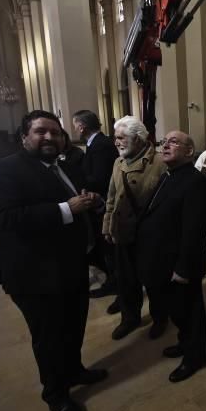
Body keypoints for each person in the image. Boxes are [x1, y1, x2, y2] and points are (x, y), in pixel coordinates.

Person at [0, 110, 108, 411]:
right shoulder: (3, 170)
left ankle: (75, 369)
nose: (50, 138)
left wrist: (91, 201)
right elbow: (7, 219)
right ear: (25, 136)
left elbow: (77, 203)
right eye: (41, 132)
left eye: (55, 132)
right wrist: (67, 208)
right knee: (50, 336)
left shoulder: (63, 167)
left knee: (74, 325)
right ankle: (56, 394)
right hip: (34, 273)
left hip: (72, 265)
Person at [136, 130, 206, 382]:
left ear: (189, 152)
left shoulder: (195, 182)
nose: (165, 145)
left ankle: (195, 357)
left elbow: (193, 231)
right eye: (164, 142)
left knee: (189, 313)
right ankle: (184, 344)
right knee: (178, 312)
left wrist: (183, 269)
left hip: (180, 265)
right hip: (162, 260)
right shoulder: (170, 176)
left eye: (174, 142)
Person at [103, 116, 167, 340]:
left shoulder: (160, 163)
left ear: (139, 139)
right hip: (122, 232)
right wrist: (107, 225)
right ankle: (130, 318)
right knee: (126, 280)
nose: (117, 142)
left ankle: (160, 319)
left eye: (122, 138)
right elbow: (111, 197)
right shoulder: (118, 162)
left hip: (148, 236)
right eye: (115, 138)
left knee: (153, 281)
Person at [72, 109, 119, 301]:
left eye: (75, 126)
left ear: (82, 127)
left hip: (104, 203)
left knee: (109, 249)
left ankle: (116, 285)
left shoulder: (101, 145)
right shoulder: (95, 144)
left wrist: (76, 183)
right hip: (98, 202)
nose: (75, 130)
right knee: (103, 249)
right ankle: (112, 281)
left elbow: (100, 178)